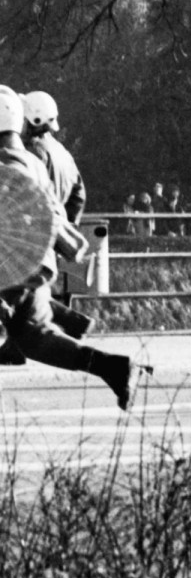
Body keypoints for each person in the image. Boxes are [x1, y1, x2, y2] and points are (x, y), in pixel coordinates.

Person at [0, 89, 140, 409]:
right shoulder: (31, 161)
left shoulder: (6, 164)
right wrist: (68, 243)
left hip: (10, 264)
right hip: (36, 263)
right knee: (34, 337)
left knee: (27, 333)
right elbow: (62, 209)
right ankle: (113, 367)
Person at [16, 90, 94, 346]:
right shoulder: (63, 153)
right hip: (52, 232)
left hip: (31, 231)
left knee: (16, 287)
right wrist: (67, 229)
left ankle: (67, 330)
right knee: (22, 290)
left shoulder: (31, 154)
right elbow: (79, 194)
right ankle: (71, 322)